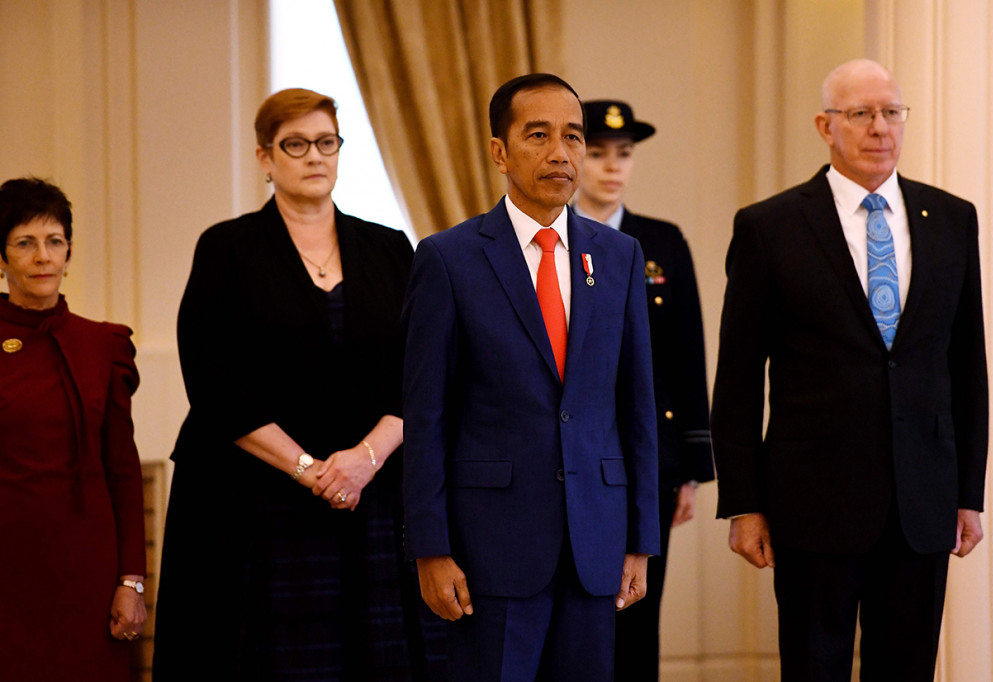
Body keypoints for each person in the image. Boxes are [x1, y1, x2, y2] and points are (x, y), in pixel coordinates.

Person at [711, 59, 988, 680]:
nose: (880, 128)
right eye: (860, 114)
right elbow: (735, 379)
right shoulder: (769, 227)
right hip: (813, 505)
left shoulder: (951, 219)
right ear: (825, 126)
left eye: (892, 112)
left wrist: (969, 493)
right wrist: (743, 503)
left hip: (923, 502)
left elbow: (969, 363)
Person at [153, 88, 443, 681]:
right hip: (256, 498)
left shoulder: (390, 248)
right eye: (296, 144)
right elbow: (211, 380)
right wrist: (310, 469)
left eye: (327, 142)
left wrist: (364, 458)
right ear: (265, 158)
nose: (315, 156)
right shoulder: (227, 248)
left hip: (373, 492)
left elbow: (425, 368)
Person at [402, 73, 660, 682]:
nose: (560, 153)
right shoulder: (448, 258)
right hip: (490, 551)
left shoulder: (618, 255)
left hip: (596, 543)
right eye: (538, 135)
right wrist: (431, 549)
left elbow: (637, 407)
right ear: (500, 152)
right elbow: (427, 416)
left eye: (573, 137)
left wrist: (640, 540)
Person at [574, 99, 715, 681]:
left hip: (648, 456)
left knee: (637, 610)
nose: (613, 167)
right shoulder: (553, 239)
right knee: (574, 614)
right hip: (572, 450)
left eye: (624, 155)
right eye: (600, 154)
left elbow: (687, 353)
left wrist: (690, 467)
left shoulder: (663, 241)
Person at [0, 177, 147, 681]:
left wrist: (133, 579)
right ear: (1, 258)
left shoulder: (101, 343)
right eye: (25, 242)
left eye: (54, 241)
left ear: (68, 251)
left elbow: (123, 472)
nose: (43, 256)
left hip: (88, 571)